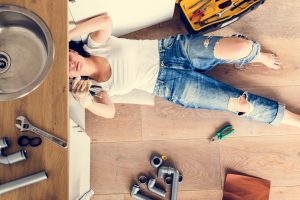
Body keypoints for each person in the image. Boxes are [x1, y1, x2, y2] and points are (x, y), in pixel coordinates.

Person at [68, 14, 300, 128]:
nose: (70, 65)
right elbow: (108, 112)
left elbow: (105, 20)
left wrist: (64, 35)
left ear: (73, 52)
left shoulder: (94, 44)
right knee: (239, 105)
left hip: (173, 50)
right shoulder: (97, 88)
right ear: (70, 78)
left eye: (67, 59)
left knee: (244, 47)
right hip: (173, 87)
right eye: (66, 71)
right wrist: (86, 102)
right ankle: (294, 121)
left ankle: (255, 55)